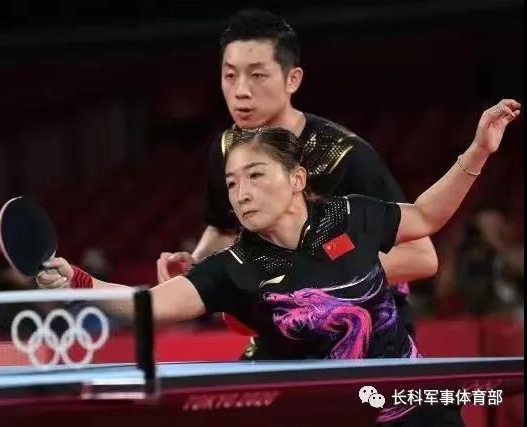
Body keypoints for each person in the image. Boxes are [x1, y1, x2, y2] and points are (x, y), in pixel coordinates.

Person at [37, 99, 520, 426]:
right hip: (331, 416)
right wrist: (77, 282)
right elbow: (149, 306)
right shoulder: (236, 266)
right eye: (231, 183)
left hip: (411, 401)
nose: (241, 193)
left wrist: (478, 149)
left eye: (255, 175)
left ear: (296, 179)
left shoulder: (350, 215)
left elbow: (427, 215)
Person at [155, 10, 437, 352]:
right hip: (289, 322)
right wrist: (196, 268)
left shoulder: (346, 155)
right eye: (230, 75)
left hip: (369, 330)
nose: (240, 91)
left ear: (292, 79)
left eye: (257, 75)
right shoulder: (229, 148)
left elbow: (421, 256)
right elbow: (223, 229)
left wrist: (313, 274)